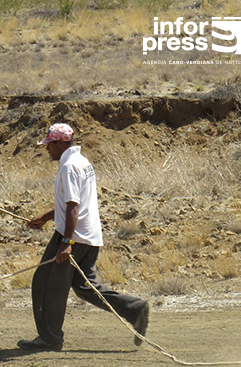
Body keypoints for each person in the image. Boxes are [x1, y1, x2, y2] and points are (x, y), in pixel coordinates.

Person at [18, 123, 149, 352]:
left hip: (74, 237)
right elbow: (72, 204)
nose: (47, 149)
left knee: (46, 283)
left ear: (60, 143)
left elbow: (73, 206)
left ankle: (50, 338)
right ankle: (134, 309)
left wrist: (66, 243)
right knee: (86, 287)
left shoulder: (69, 167)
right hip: (90, 235)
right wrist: (46, 217)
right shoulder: (82, 162)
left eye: (49, 145)